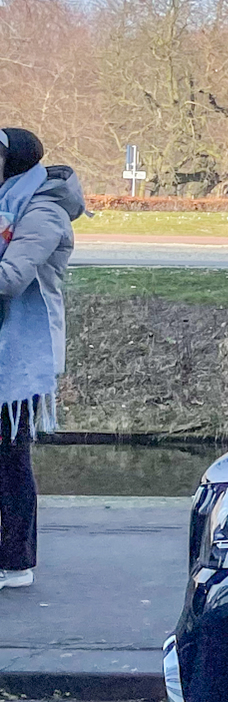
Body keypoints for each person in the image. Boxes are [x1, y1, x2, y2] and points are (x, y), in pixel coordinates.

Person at [0, 129, 84, 590]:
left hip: (20, 357)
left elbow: (12, 277)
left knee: (9, 459)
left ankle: (16, 562)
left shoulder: (45, 209)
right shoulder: (7, 202)